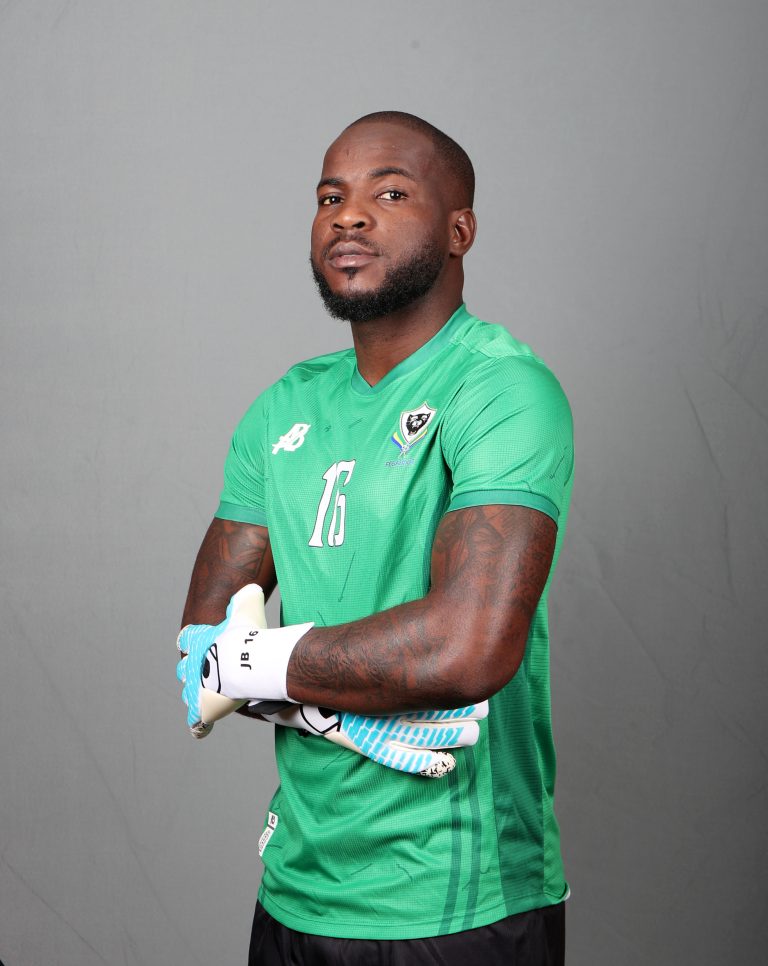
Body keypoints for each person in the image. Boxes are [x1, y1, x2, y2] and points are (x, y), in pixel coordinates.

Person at [178, 111, 574, 965]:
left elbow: (469, 646)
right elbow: (202, 650)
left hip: (459, 902)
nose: (348, 216)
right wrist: (338, 713)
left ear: (459, 229)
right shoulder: (283, 407)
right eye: (330, 197)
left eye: (389, 193)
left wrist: (263, 665)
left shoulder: (502, 390)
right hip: (298, 887)